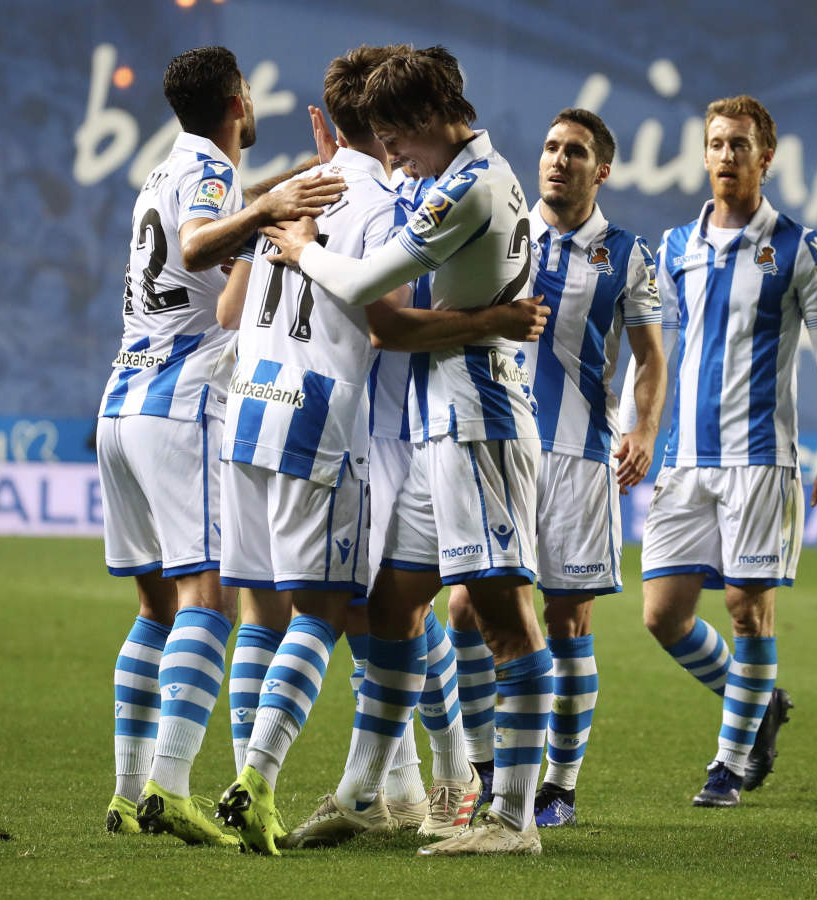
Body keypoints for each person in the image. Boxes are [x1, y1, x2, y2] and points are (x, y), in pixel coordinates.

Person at [207, 46, 548, 855]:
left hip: (479, 417)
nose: (389, 157)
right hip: (436, 422)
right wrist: (279, 197)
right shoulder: (434, 180)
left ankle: (512, 819)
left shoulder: (471, 186)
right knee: (396, 605)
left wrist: (297, 247)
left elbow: (370, 298)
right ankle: (368, 794)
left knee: (503, 618)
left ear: (430, 118)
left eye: (396, 138)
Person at [98, 45, 343, 845]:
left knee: (154, 605)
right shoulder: (210, 178)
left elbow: (219, 219)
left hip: (123, 399)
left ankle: (128, 792)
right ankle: (169, 787)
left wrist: (302, 177)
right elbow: (202, 245)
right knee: (207, 599)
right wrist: (269, 209)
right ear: (240, 99)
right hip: (182, 396)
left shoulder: (168, 167)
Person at [444, 108, 667, 829]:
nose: (557, 160)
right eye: (549, 147)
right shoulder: (505, 233)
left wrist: (645, 426)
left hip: (579, 457)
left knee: (568, 622)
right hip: (500, 441)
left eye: (575, 152)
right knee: (466, 608)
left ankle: (559, 786)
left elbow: (651, 358)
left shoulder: (628, 254)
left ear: (601, 170)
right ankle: (484, 769)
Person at [640, 95, 817, 808]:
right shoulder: (676, 247)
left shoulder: (797, 245)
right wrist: (631, 427)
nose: (726, 155)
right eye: (716, 143)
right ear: (704, 155)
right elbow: (653, 353)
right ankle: (757, 700)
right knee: (662, 616)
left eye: (740, 144)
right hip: (684, 459)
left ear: (766, 158)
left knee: (744, 607)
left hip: (762, 459)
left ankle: (729, 765)